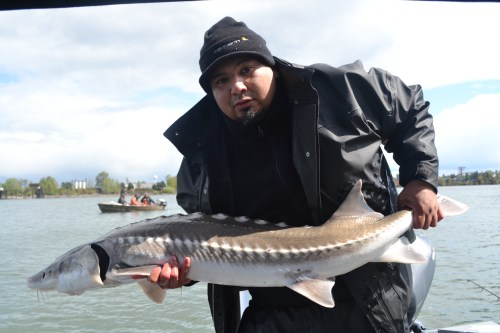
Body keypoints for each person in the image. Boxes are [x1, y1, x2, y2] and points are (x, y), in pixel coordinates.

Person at [148, 17, 443, 333]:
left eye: (246, 69)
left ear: (271, 66)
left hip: (367, 297)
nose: (236, 86)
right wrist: (185, 274)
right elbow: (205, 246)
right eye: (220, 81)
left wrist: (420, 178)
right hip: (270, 311)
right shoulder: (200, 158)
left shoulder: (338, 90)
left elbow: (410, 106)